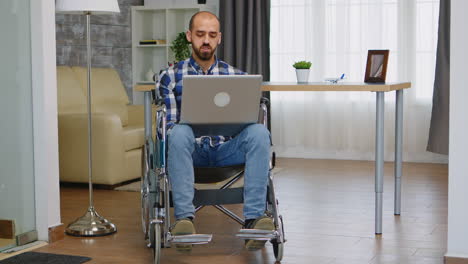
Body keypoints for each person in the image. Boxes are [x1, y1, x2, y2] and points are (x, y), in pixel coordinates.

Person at [156, 11, 273, 251]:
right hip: (190, 151)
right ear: (189, 36)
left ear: (219, 38)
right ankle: (184, 221)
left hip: (226, 150)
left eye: (211, 35)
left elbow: (247, 123)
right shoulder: (169, 77)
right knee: (177, 133)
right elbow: (168, 129)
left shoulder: (238, 77)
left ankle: (254, 220)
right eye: (200, 34)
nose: (206, 40)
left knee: (259, 133)